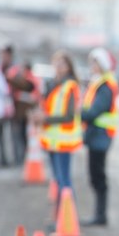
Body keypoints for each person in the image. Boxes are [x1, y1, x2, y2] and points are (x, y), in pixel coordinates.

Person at [32, 50, 82, 218]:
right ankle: (63, 217)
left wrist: (45, 118)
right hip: (53, 141)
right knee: (59, 180)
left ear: (68, 67)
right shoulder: (53, 85)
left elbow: (68, 116)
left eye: (62, 63)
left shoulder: (70, 86)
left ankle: (67, 219)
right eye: (56, 63)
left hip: (63, 141)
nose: (58, 67)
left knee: (64, 181)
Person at [80, 48, 119, 226]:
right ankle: (99, 214)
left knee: (98, 175)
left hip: (100, 135)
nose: (92, 66)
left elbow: (96, 110)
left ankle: (100, 215)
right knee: (96, 175)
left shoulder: (105, 84)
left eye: (95, 62)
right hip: (97, 135)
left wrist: (78, 113)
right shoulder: (100, 82)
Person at [5, 61, 41, 164]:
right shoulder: (29, 79)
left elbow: (28, 89)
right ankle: (20, 158)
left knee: (24, 137)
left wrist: (10, 77)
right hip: (20, 113)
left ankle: (23, 158)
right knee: (20, 137)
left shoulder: (30, 81)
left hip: (26, 114)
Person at [0, 44, 15, 166]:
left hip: (14, 106)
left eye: (5, 54)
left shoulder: (15, 69)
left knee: (14, 134)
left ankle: (16, 159)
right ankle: (2, 159)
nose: (3, 57)